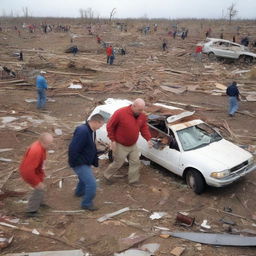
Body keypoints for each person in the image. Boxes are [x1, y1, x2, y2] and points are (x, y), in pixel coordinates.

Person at [103, 98, 153, 185]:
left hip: (132, 144)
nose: (141, 111)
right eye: (139, 110)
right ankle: (107, 175)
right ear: (133, 106)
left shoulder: (142, 115)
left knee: (135, 162)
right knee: (118, 162)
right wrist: (113, 140)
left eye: (142, 110)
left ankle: (133, 181)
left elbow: (144, 128)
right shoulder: (120, 113)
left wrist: (148, 139)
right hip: (120, 144)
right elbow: (110, 126)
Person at [68, 114, 105, 211]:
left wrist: (101, 151)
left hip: (84, 161)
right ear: (96, 122)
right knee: (92, 184)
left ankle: (79, 192)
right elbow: (73, 148)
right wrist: (75, 163)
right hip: (80, 163)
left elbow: (88, 147)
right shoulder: (83, 131)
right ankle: (86, 203)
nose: (101, 127)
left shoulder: (90, 131)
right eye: (100, 125)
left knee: (83, 179)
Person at [19, 133, 53, 217]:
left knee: (41, 187)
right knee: (39, 188)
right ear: (44, 143)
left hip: (36, 171)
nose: (51, 146)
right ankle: (31, 211)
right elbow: (28, 170)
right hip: (29, 173)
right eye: (49, 144)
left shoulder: (40, 146)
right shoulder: (36, 151)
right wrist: (36, 181)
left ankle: (39, 202)